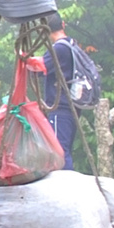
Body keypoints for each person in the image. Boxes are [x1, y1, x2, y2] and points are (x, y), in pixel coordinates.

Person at [42, 11, 77, 169]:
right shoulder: (72, 44)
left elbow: (40, 68)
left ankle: (65, 186)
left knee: (59, 151)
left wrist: (24, 60)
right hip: (72, 105)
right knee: (65, 149)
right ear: (63, 25)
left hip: (60, 107)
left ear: (46, 31)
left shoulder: (58, 49)